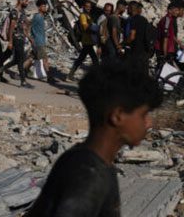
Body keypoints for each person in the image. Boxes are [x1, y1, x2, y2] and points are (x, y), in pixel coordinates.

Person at [26, 58, 161, 216]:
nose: (149, 123)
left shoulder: (89, 162)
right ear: (117, 116)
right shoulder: (88, 176)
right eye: (144, 114)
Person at [0, 0, 33, 88]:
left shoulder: (22, 12)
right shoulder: (15, 12)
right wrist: (10, 41)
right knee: (20, 60)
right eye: (26, 0)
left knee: (17, 60)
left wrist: (29, 37)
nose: (27, 2)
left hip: (21, 38)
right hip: (16, 38)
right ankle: (23, 82)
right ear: (20, 0)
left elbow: (24, 26)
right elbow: (11, 27)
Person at [69, 1, 100, 80]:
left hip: (89, 40)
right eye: (87, 6)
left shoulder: (88, 16)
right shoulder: (83, 16)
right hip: (86, 40)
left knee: (81, 58)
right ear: (83, 7)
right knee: (94, 60)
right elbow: (85, 27)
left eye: (89, 6)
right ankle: (98, 76)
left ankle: (70, 75)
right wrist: (95, 30)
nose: (88, 8)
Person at [154, 2, 184, 73]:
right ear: (169, 10)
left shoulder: (170, 19)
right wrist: (165, 54)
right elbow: (165, 38)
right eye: (176, 10)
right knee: (166, 70)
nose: (177, 12)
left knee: (167, 69)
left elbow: (172, 35)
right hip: (164, 49)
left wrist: (180, 44)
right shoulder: (167, 20)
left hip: (169, 49)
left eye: (178, 10)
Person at [30, 0, 56, 84]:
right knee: (45, 59)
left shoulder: (41, 16)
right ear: (39, 7)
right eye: (43, 6)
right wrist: (32, 38)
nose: (45, 8)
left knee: (31, 58)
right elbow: (31, 27)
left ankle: (21, 72)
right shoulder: (38, 17)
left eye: (45, 6)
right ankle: (49, 77)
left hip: (40, 41)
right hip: (38, 41)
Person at [124, 1, 150, 67]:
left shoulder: (132, 19)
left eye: (128, 8)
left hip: (133, 50)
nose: (126, 9)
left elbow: (132, 36)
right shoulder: (144, 20)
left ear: (131, 8)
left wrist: (122, 44)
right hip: (142, 51)